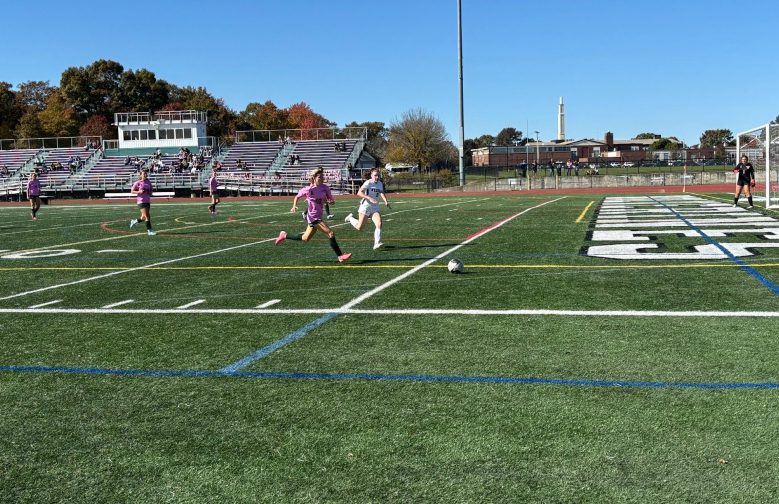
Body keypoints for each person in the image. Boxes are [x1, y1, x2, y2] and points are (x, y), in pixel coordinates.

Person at [275, 167, 351, 262]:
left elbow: (331, 201)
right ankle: (340, 256)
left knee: (305, 238)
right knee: (330, 233)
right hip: (312, 217)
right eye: (320, 177)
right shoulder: (308, 189)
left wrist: (330, 202)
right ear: (314, 178)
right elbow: (297, 197)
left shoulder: (325, 188)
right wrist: (294, 206)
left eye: (323, 176)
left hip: (318, 216)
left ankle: (284, 235)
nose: (322, 178)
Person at [344, 168, 391, 250]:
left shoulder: (380, 183)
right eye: (375, 175)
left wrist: (386, 201)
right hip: (365, 206)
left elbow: (381, 192)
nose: (377, 177)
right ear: (371, 175)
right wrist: (369, 198)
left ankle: (376, 243)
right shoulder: (368, 182)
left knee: (379, 223)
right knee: (359, 227)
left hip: (374, 207)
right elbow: (359, 192)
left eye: (378, 175)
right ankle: (350, 218)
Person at [129, 170, 156, 235]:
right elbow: (132, 191)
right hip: (141, 201)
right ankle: (149, 231)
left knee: (144, 217)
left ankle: (134, 221)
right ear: (141, 175)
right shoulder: (137, 183)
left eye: (146, 174)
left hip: (147, 201)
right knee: (146, 216)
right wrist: (139, 192)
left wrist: (150, 193)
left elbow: (151, 190)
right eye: (144, 174)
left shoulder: (148, 182)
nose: (145, 175)